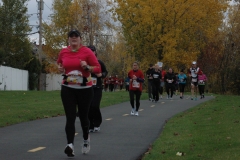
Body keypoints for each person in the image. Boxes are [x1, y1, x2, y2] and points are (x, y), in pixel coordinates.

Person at [57, 29, 101, 156]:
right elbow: (59, 63)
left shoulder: (86, 51)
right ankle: (70, 145)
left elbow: (97, 68)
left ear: (80, 39)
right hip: (68, 88)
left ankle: (86, 139)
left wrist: (87, 67)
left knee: (83, 117)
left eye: (76, 36)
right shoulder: (64, 51)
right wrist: (60, 68)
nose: (74, 38)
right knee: (70, 117)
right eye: (71, 36)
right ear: (68, 39)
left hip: (84, 89)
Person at [87, 45, 108, 133]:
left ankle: (97, 123)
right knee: (88, 107)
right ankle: (90, 125)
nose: (91, 52)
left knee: (95, 105)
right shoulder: (85, 63)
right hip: (87, 88)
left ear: (95, 52)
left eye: (93, 51)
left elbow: (105, 72)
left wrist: (101, 75)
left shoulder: (99, 62)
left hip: (97, 87)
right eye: (89, 51)